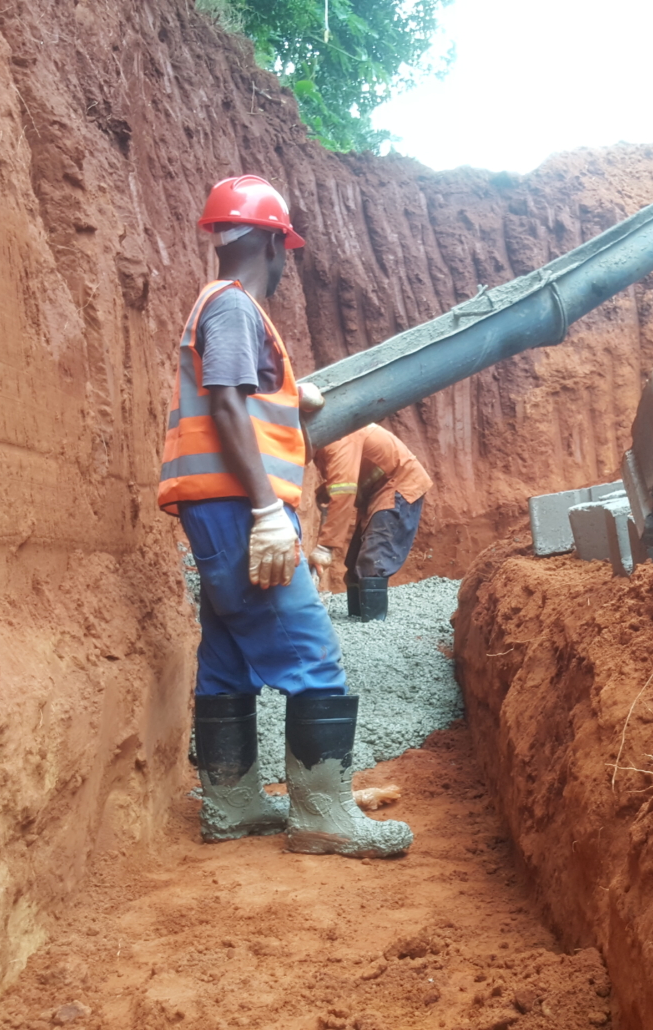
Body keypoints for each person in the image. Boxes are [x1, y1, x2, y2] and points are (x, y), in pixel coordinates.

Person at [158, 174, 411, 858]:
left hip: (218, 510)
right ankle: (324, 817)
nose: (285, 260)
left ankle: (232, 802)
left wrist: (288, 395)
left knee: (229, 657)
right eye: (284, 247)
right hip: (242, 511)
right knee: (310, 651)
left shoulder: (221, 307)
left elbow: (242, 399)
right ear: (273, 242)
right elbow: (229, 406)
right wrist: (270, 513)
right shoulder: (235, 308)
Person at [309, 424, 433, 621]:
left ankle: (373, 625)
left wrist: (325, 546)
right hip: (375, 492)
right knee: (354, 564)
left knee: (375, 559)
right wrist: (327, 488)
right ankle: (358, 617)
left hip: (398, 484)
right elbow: (349, 471)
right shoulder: (325, 444)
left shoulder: (337, 436)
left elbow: (344, 490)